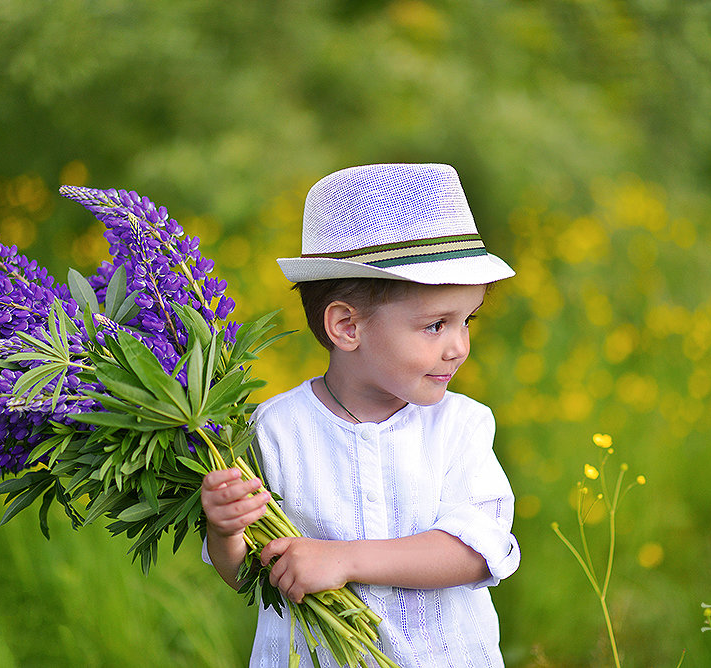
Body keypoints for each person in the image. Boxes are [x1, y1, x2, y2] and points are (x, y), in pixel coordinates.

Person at [200, 163, 520, 666]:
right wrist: (226, 531)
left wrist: (345, 560)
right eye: (436, 325)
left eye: (467, 320)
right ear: (347, 326)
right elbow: (250, 575)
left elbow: (477, 551)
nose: (460, 346)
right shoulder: (272, 432)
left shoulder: (462, 427)